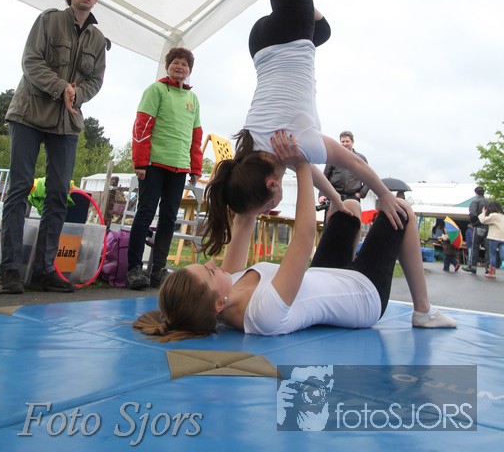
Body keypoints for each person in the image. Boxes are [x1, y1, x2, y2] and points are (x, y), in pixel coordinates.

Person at [202, 0, 404, 258]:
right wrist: (335, 199)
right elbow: (309, 168)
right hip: (262, 46)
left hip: (287, 34)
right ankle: (305, 6)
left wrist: (383, 195)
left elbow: (353, 163)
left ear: (272, 186)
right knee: (322, 31)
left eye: (267, 206)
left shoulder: (301, 143)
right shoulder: (252, 153)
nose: (269, 210)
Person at [132, 131, 456, 341]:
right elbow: (303, 238)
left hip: (326, 276)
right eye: (209, 272)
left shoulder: (226, 287)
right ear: (218, 303)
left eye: (205, 265)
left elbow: (244, 219)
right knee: (400, 209)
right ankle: (423, 311)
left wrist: (257, 154)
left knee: (350, 208)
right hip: (363, 296)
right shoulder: (263, 314)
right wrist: (300, 163)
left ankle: (346, 214)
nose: (213, 265)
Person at [0, 0, 109, 294]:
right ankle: (10, 270)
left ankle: (45, 269)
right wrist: (61, 87)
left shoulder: (98, 40)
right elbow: (31, 61)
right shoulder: (48, 20)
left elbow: (96, 80)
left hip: (67, 121)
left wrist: (78, 94)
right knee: (20, 188)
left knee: (60, 193)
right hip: (29, 113)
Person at [126, 47, 203, 290]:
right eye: (175, 63)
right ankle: (134, 269)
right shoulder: (156, 90)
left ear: (189, 71)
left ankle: (158, 269)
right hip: (153, 164)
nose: (180, 67)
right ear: (168, 66)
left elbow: (196, 136)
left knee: (169, 218)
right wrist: (140, 162)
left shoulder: (193, 99)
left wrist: (195, 167)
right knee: (145, 213)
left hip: (179, 167)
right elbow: (142, 126)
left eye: (184, 64)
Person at [318, 131, 370, 204]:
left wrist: (361, 194)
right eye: (343, 142)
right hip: (334, 196)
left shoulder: (361, 159)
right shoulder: (333, 157)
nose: (345, 144)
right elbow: (324, 177)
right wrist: (322, 195)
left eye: (347, 141)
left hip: (353, 197)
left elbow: (368, 179)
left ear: (352, 142)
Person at [462, 186, 489, 274]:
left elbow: (473, 214)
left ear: (476, 193)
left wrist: (474, 223)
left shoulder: (475, 201)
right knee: (487, 248)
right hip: (487, 226)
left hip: (478, 226)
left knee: (475, 247)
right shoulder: (488, 202)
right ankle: (488, 268)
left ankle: (473, 266)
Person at [478, 201, 504, 279]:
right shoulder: (502, 215)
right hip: (502, 238)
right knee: (502, 252)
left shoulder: (493, 215)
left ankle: (492, 272)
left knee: (492, 254)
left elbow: (483, 220)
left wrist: (483, 213)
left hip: (494, 237)